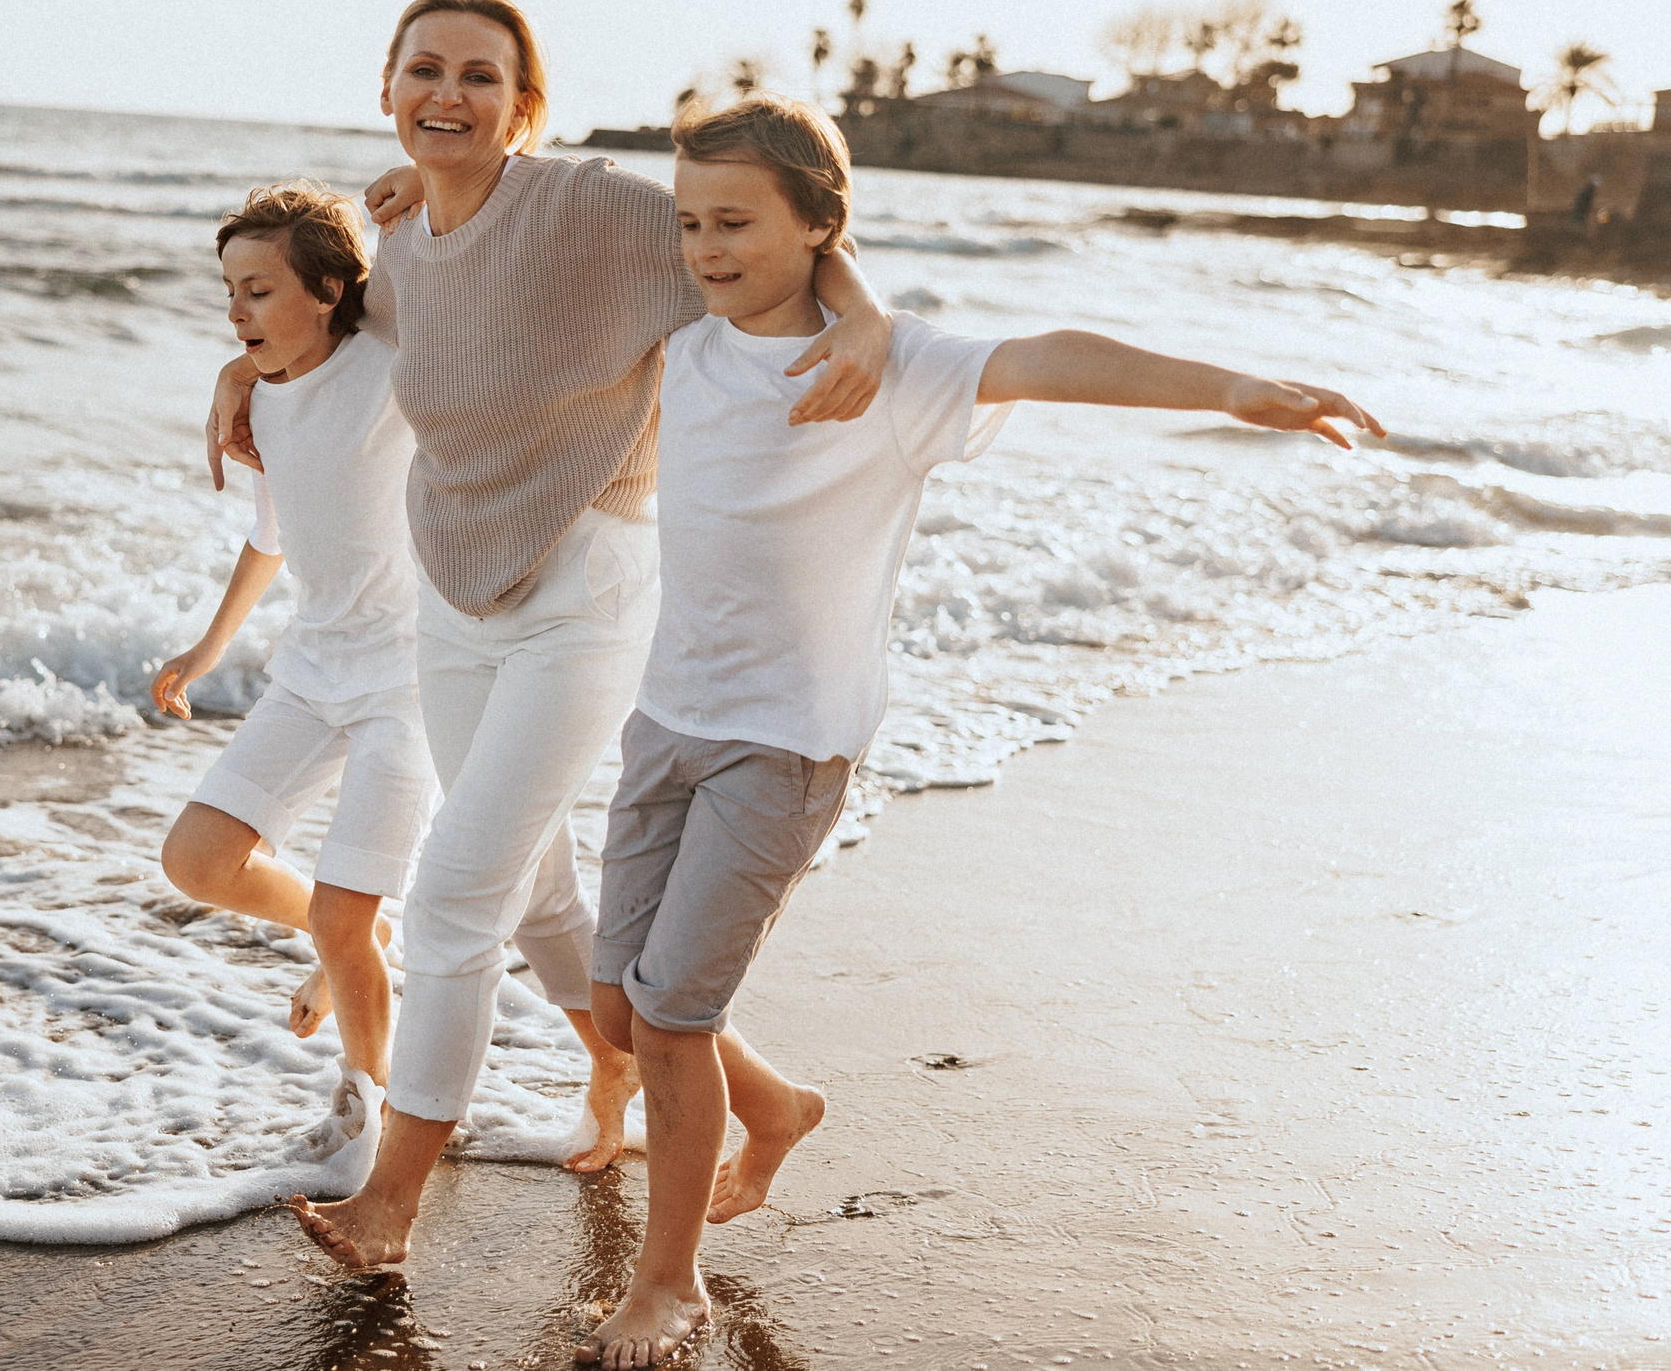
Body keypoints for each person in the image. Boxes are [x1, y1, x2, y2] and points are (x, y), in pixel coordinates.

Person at [575, 92, 1384, 1368]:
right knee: (622, 1008)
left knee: (672, 1024)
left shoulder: (888, 372)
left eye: (735, 222)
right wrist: (408, 207)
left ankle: (668, 1282)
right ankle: (776, 1106)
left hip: (785, 742)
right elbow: (541, 221)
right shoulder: (691, 339)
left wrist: (1230, 388)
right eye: (689, 224)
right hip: (666, 718)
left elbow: (1047, 354)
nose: (705, 248)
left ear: (816, 227)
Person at [205, 0, 900, 1272]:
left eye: (480, 75)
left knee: (457, 890)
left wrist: (856, 313)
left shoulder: (586, 208)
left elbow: (769, 233)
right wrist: (241, 369)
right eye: (424, 71)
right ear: (387, 90)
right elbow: (324, 327)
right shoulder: (401, 237)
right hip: (455, 600)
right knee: (530, 891)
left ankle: (391, 1200)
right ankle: (766, 1097)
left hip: (587, 589)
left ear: (525, 104)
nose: (447, 95)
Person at [155, 183, 431, 1128]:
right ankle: (357, 931)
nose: (236, 311)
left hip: (413, 681)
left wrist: (432, 186)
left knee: (341, 925)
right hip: (315, 672)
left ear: (324, 289)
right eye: (229, 290)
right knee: (197, 860)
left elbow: (457, 252)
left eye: (260, 290)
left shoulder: (391, 361)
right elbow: (273, 536)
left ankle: (366, 1106)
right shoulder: (262, 408)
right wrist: (206, 646)